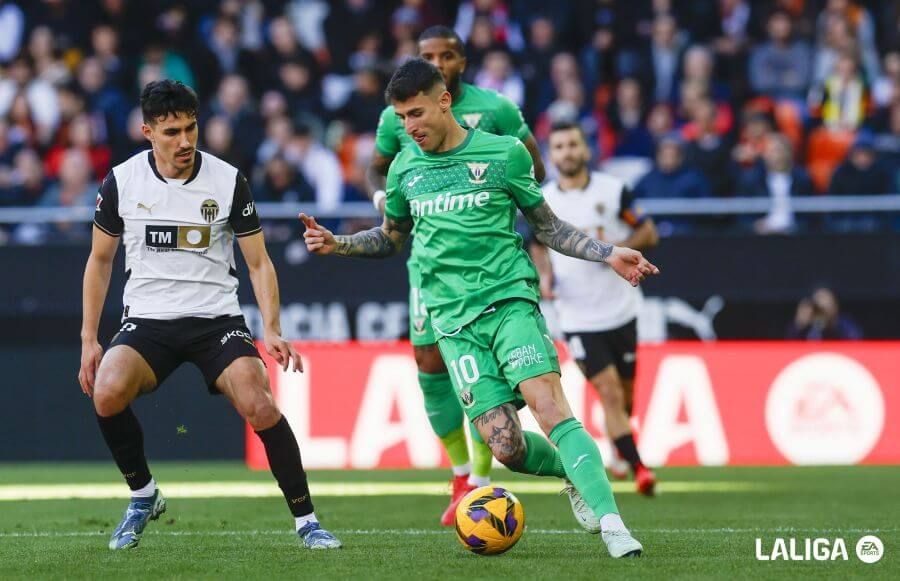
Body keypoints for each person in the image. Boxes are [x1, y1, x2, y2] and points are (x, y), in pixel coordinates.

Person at [303, 58, 658, 558]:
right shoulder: (404, 168)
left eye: (417, 113)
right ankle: (573, 473)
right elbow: (390, 237)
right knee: (506, 448)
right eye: (401, 117)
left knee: (549, 406)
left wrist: (607, 253)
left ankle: (613, 524)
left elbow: (548, 226)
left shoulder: (503, 153)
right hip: (453, 323)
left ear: (444, 101)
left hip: (509, 301)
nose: (409, 126)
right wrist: (338, 243)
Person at [78, 80, 340, 551]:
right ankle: (143, 494)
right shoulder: (122, 181)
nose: (185, 141)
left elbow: (258, 262)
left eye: (191, 128)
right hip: (149, 319)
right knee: (107, 391)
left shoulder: (227, 180)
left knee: (260, 403)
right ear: (147, 132)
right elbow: (99, 261)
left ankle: (308, 522)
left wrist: (272, 328)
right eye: (172, 132)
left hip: (216, 319)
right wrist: (88, 339)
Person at [366, 25, 546, 526]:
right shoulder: (399, 114)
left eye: (446, 55)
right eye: (428, 55)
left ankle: (482, 478)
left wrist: (495, 207)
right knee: (429, 361)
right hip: (429, 264)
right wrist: (382, 199)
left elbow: (535, 166)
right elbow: (377, 167)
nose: (438, 63)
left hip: (487, 264)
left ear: (461, 62)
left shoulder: (496, 109)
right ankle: (462, 472)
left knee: (484, 366)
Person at [530, 121, 659, 496]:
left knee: (625, 396)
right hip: (577, 316)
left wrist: (619, 249)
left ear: (585, 150)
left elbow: (649, 231)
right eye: (559, 147)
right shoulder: (542, 200)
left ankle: (620, 448)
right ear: (551, 155)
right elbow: (535, 242)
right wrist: (545, 274)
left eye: (573, 144)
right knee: (609, 392)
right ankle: (640, 469)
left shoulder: (614, 191)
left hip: (621, 309)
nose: (567, 152)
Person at [786, 287, 862, 340]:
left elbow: (856, 338)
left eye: (826, 302)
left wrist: (832, 324)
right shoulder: (809, 327)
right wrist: (799, 324)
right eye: (817, 304)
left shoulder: (844, 324)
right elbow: (789, 344)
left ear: (835, 306)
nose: (821, 308)